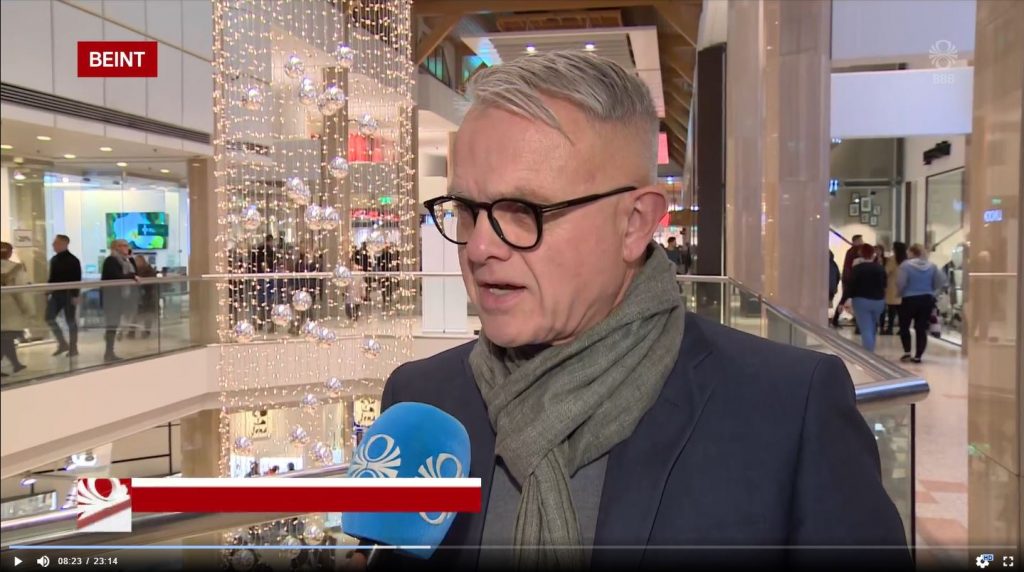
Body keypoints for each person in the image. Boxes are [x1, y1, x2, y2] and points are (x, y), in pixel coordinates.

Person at [382, 51, 908, 570]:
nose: (479, 248)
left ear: (634, 223)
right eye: (466, 210)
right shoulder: (420, 399)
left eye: (523, 212)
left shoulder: (788, 411)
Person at [897, 243, 946, 363]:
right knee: (921, 327)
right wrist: (932, 291)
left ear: (912, 253)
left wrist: (900, 292)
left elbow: (901, 282)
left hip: (909, 299)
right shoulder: (932, 266)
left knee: (904, 326)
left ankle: (907, 352)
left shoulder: (905, 265)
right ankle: (918, 355)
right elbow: (941, 280)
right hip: (926, 299)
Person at [101, 239, 139, 362]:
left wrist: (130, 260)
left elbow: (135, 272)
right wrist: (131, 276)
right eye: (123, 245)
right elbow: (117, 276)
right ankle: (109, 352)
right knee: (111, 325)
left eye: (127, 245)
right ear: (115, 247)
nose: (126, 247)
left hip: (124, 298)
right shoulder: (110, 261)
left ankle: (110, 351)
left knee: (115, 324)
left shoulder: (128, 260)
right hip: (112, 298)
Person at [846, 244, 887, 352]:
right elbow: (884, 284)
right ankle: (871, 349)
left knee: (866, 328)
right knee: (872, 327)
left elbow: (851, 285)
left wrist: (846, 299)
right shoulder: (880, 268)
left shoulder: (857, 269)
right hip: (878, 301)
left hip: (861, 300)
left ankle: (868, 353)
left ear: (860, 254)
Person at [46, 234, 82, 357]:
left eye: (56, 243)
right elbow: (52, 278)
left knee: (70, 320)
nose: (53, 245)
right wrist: (47, 291)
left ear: (64, 244)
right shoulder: (54, 260)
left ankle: (73, 347)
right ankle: (62, 343)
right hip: (56, 294)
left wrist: (75, 295)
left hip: (68, 294)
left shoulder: (73, 260)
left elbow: (77, 279)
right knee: (49, 317)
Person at [0, 242, 30, 377]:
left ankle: (16, 364)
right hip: (11, 307)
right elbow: (22, 291)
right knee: (7, 337)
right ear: (9, 253)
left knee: (5, 338)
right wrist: (27, 308)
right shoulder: (16, 268)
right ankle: (16, 364)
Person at [831, 234, 864, 329]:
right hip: (852, 279)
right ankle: (836, 319)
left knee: (845, 299)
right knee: (849, 299)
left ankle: (836, 319)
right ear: (855, 241)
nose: (862, 242)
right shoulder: (855, 252)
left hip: (849, 279)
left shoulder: (851, 251)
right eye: (860, 240)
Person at [883, 242, 907, 336]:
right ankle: (902, 329)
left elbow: (886, 271)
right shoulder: (907, 260)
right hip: (904, 287)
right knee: (902, 311)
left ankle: (890, 328)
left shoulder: (892, 259)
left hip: (893, 287)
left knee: (891, 310)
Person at [133, 255, 159, 338]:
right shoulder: (136, 270)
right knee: (136, 314)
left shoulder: (148, 270)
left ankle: (146, 331)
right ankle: (132, 332)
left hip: (148, 296)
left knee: (148, 314)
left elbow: (150, 283)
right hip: (139, 296)